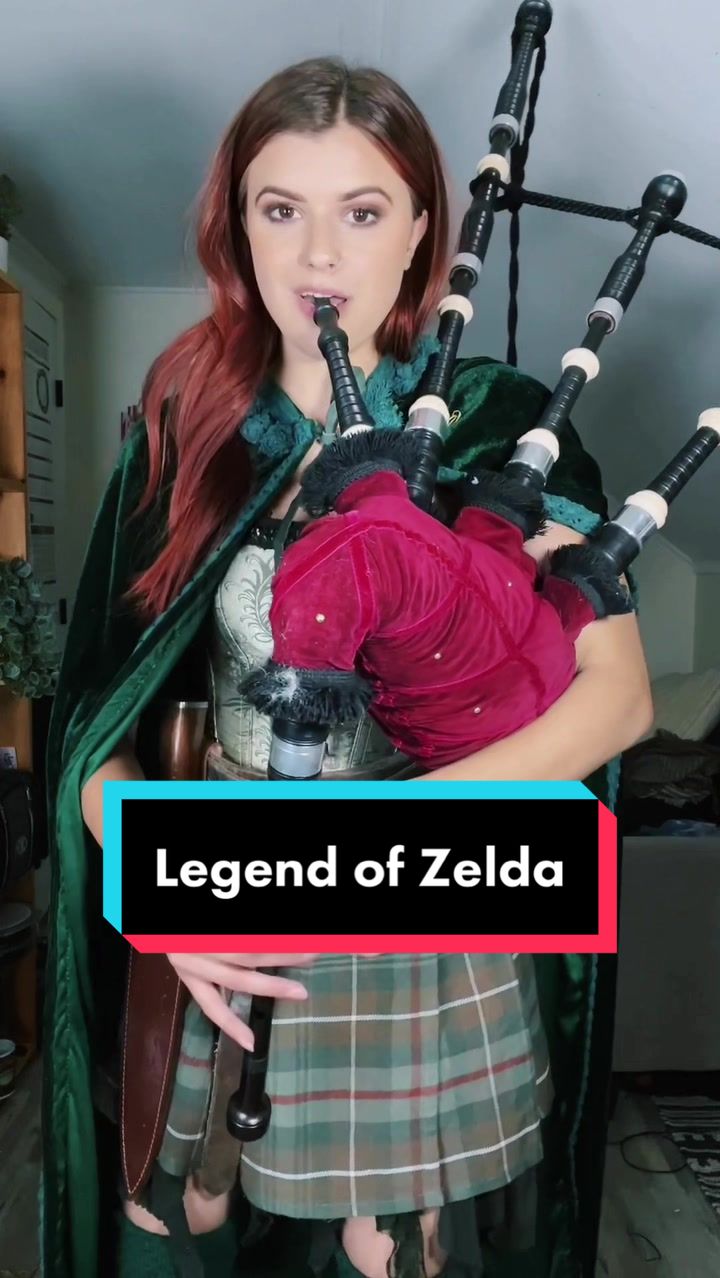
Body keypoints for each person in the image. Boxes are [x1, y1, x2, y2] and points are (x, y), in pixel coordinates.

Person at [41, 56, 653, 1278]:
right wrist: (162, 896)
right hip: (225, 877)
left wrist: (379, 849)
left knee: (393, 1252)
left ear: (423, 227)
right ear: (237, 224)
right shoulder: (185, 422)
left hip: (427, 868)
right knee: (179, 1207)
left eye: (362, 211)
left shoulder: (500, 421)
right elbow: (96, 716)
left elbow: (622, 699)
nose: (318, 253)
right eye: (281, 208)